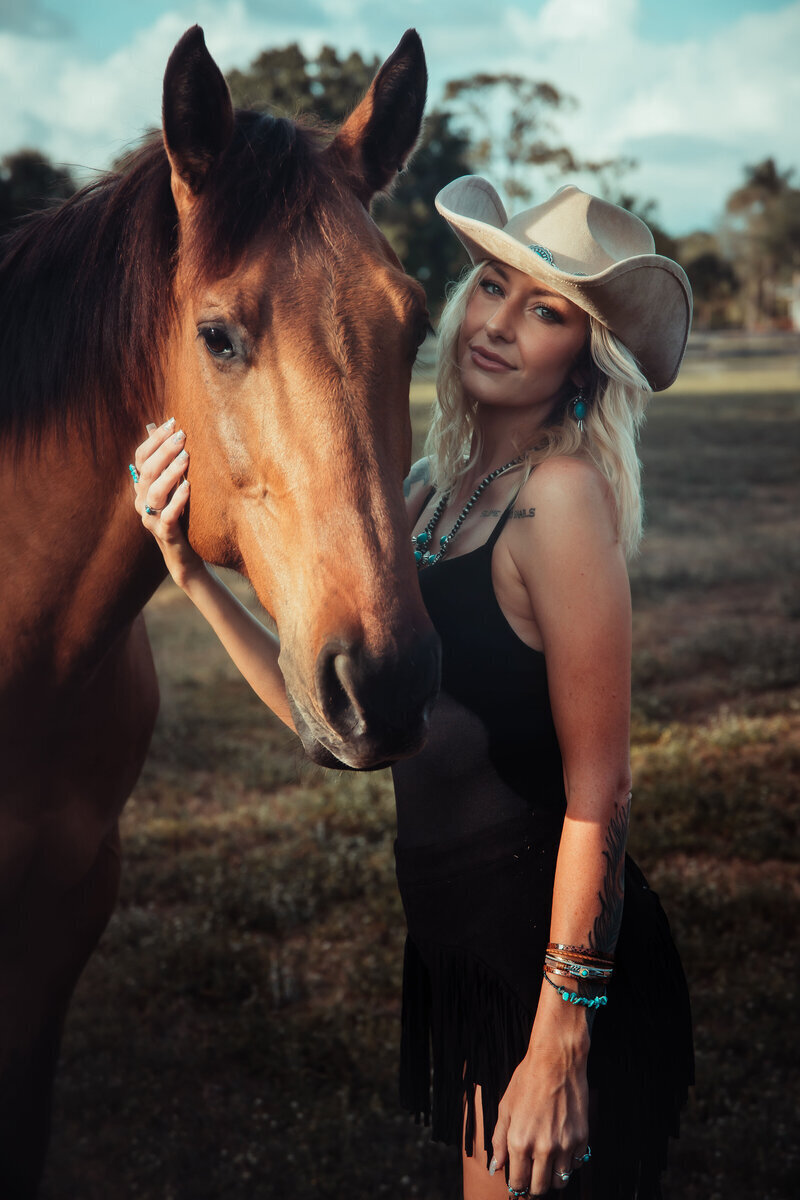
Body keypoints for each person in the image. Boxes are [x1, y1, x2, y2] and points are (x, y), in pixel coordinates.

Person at [130, 176, 694, 1199]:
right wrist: (188, 573)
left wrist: (559, 1039)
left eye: (545, 311)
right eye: (490, 286)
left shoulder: (559, 501)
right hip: (459, 949)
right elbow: (343, 731)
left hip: (549, 957)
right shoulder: (431, 499)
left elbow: (599, 793)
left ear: (585, 361)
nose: (497, 322)